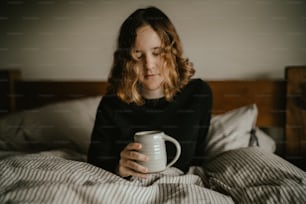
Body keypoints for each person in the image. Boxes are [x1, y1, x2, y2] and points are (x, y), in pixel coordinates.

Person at [87, 6, 212, 179]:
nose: (149, 65)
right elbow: (94, 163)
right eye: (138, 55)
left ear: (172, 51)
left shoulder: (198, 94)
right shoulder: (111, 104)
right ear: (126, 60)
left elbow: (199, 159)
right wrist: (117, 167)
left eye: (157, 52)